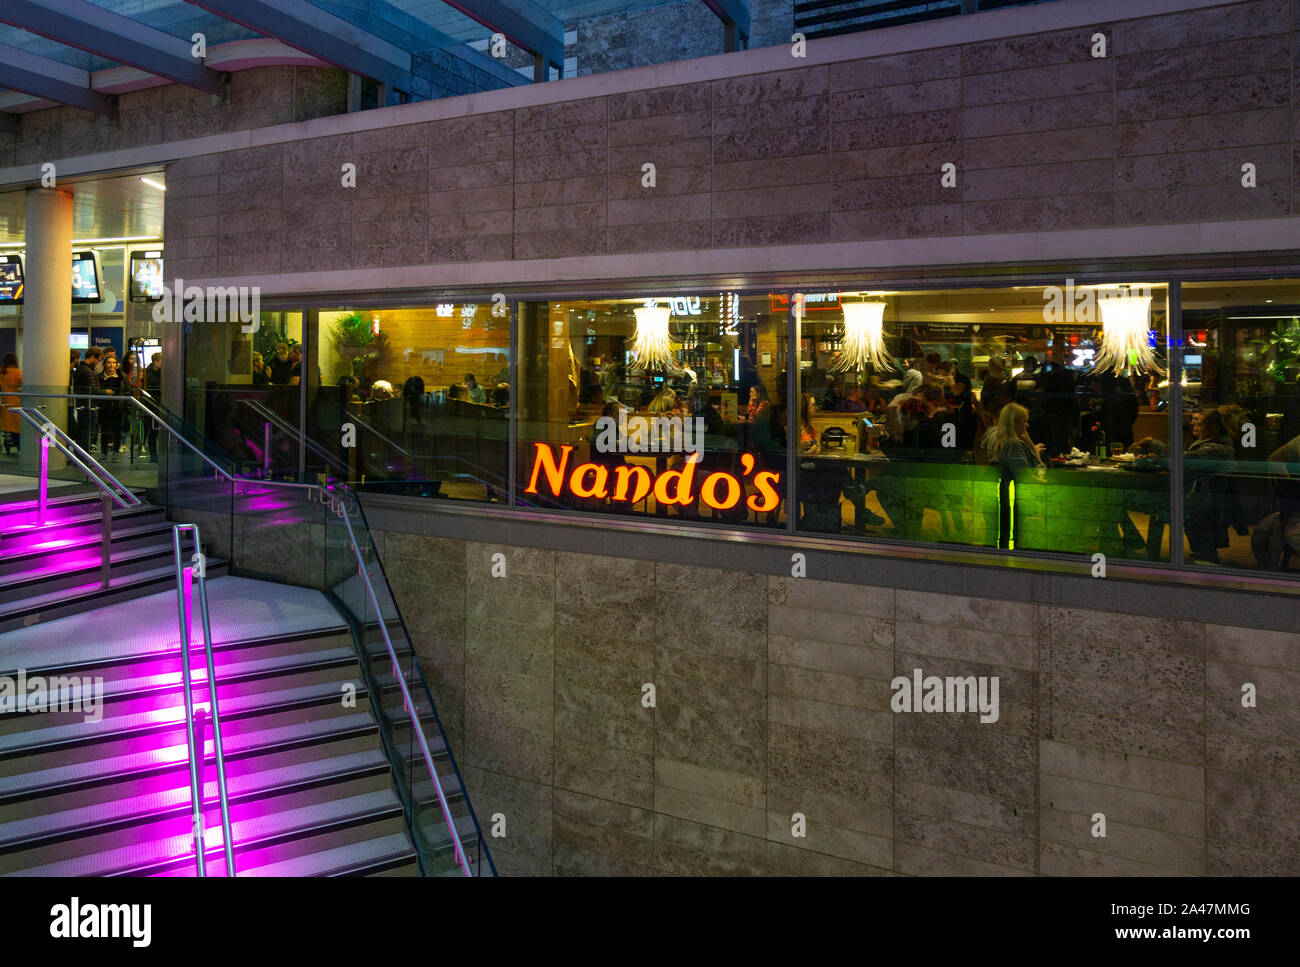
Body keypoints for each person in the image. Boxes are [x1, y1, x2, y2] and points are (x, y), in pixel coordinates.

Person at [983, 402, 1044, 550]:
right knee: (1011, 534)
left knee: (1001, 532)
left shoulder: (992, 434)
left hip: (997, 493)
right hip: (1013, 496)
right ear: (1014, 422)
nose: (1027, 425)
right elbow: (1025, 475)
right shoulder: (1013, 444)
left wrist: (1027, 441)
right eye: (1025, 421)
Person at [71, 347, 103, 449]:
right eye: (98, 360)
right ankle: (83, 458)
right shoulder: (87, 371)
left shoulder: (83, 369)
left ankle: (82, 457)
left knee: (85, 433)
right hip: (88, 406)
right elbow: (92, 389)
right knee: (87, 433)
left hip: (84, 406)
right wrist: (105, 392)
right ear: (93, 357)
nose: (98, 363)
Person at [98, 354, 125, 460]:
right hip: (104, 408)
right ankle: (103, 452)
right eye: (109, 362)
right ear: (104, 364)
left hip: (118, 408)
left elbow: (126, 390)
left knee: (117, 430)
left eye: (113, 362)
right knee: (104, 430)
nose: (111, 365)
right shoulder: (100, 377)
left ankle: (116, 452)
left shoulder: (121, 377)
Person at [0, 353, 22, 455]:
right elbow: (23, 384)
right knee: (16, 425)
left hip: (4, 401)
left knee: (6, 424)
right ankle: (17, 445)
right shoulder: (18, 372)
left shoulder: (1, 371)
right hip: (15, 400)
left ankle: (6, 443)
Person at [143, 352, 162, 461]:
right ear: (156, 361)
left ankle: (154, 455)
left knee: (154, 432)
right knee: (153, 432)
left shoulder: (153, 372)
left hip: (156, 404)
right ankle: (153, 455)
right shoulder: (150, 373)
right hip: (152, 405)